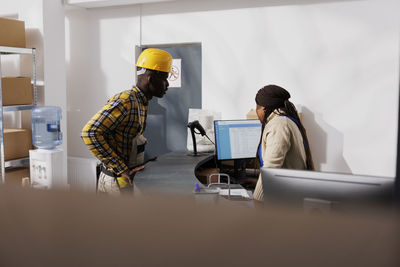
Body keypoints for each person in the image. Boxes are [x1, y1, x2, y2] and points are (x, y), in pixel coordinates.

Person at [81, 48, 172, 195]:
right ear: (150, 78)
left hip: (120, 181)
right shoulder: (126, 101)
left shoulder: (141, 102)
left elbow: (125, 139)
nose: (167, 84)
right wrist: (121, 168)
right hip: (115, 182)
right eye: (164, 79)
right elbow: (90, 132)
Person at [252, 85, 314, 201]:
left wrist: (257, 200)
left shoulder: (279, 125)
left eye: (257, 108)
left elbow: (271, 167)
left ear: (264, 108)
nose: (256, 113)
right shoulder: (284, 120)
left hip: (286, 201)